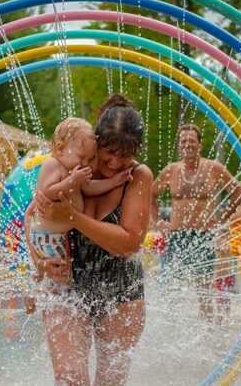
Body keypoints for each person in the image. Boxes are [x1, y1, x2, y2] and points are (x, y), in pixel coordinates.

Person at [28, 94, 153, 386]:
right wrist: (40, 263)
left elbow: (128, 243)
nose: (116, 162)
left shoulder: (138, 176)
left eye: (127, 154)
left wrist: (72, 216)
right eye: (109, 151)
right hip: (66, 288)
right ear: (96, 142)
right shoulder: (73, 168)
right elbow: (31, 217)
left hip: (121, 291)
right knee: (70, 379)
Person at [151, 124, 241, 323]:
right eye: (183, 141)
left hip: (202, 236)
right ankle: (171, 328)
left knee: (204, 289)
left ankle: (207, 331)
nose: (187, 144)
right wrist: (159, 223)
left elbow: (240, 192)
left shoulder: (213, 168)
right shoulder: (171, 171)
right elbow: (150, 195)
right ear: (179, 146)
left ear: (200, 145)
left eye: (191, 141)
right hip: (177, 235)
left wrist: (222, 218)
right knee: (171, 287)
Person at [26, 117, 132, 296]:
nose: (87, 164)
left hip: (58, 236)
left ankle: (36, 287)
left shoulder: (75, 173)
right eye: (82, 157)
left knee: (61, 276)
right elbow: (46, 192)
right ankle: (32, 293)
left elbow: (90, 188)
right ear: (60, 149)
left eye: (91, 159)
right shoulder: (53, 165)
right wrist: (71, 181)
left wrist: (113, 182)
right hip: (47, 236)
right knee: (60, 276)